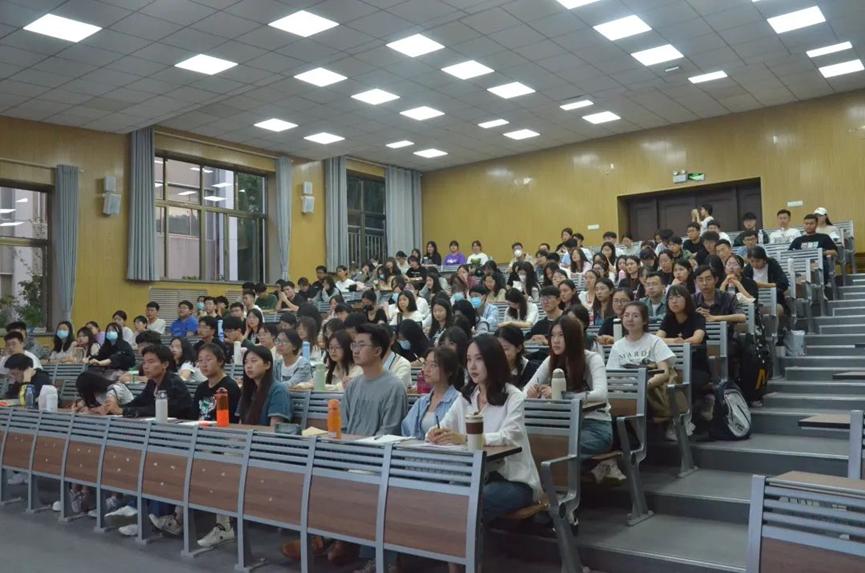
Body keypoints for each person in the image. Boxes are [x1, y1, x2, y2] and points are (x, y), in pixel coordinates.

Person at [427, 334, 541, 523]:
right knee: (433, 493)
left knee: (472, 501)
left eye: (479, 359)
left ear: (493, 361)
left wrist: (465, 438)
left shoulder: (513, 396)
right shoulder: (466, 397)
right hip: (475, 476)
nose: (472, 366)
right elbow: (444, 426)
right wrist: (433, 433)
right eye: (469, 359)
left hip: (513, 480)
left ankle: (465, 541)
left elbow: (508, 436)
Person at [523, 316, 619, 480]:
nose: (555, 340)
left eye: (561, 335)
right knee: (535, 447)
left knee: (557, 450)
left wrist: (562, 395)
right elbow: (525, 390)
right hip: (562, 425)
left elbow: (601, 394)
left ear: (573, 337)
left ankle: (590, 471)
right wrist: (531, 394)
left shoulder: (592, 359)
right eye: (553, 336)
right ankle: (596, 466)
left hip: (594, 427)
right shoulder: (550, 360)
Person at [606, 302, 681, 441]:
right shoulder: (617, 346)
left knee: (637, 403)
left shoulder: (655, 341)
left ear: (645, 320)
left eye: (635, 316)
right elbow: (612, 376)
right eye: (626, 315)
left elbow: (664, 373)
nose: (630, 319)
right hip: (625, 392)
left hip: (649, 391)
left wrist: (643, 386)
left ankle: (641, 441)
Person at [657, 285, 713, 423]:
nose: (674, 301)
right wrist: (674, 341)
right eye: (670, 298)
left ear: (687, 299)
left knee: (690, 381)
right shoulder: (668, 318)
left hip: (697, 367)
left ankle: (688, 417)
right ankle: (671, 419)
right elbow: (657, 339)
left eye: (678, 297)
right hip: (673, 367)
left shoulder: (697, 317)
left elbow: (697, 338)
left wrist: (682, 342)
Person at [401, 346, 462, 439]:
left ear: (449, 371)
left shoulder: (458, 400)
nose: (426, 369)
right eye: (425, 364)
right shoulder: (422, 401)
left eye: (433, 365)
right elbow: (406, 430)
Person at [745, 246, 789, 315]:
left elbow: (783, 284)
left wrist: (762, 285)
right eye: (752, 261)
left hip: (774, 300)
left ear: (764, 259)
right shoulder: (748, 268)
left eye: (758, 261)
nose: (755, 264)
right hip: (755, 302)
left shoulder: (772, 264)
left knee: (775, 310)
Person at [496, 324, 540, 389]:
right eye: (497, 348)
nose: (500, 353)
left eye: (505, 349)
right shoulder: (490, 369)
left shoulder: (532, 370)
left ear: (519, 348)